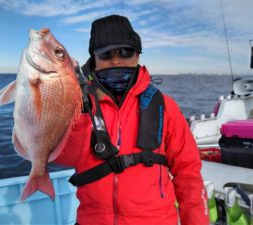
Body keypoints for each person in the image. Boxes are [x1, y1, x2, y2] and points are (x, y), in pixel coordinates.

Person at [55, 14, 209, 225]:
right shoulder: (76, 104)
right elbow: (64, 158)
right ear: (94, 60)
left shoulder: (165, 106)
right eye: (106, 54)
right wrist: (77, 107)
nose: (116, 60)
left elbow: (188, 171)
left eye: (125, 52)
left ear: (137, 55)